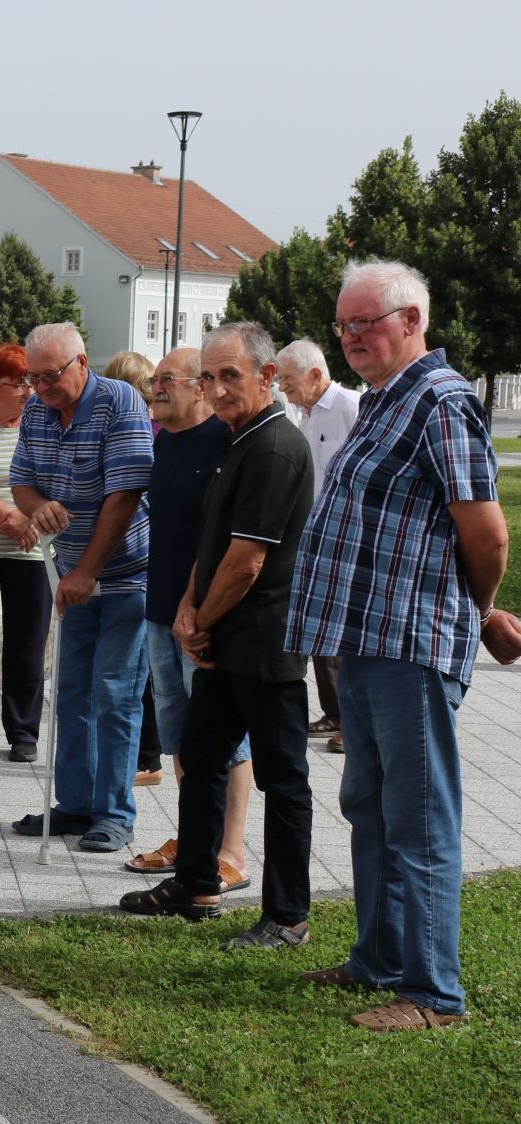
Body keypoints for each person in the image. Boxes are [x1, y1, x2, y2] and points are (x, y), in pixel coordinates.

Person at [290, 260, 521, 1031]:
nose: (352, 337)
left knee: (419, 819)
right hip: (365, 639)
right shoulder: (388, 401)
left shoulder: (441, 402)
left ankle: (433, 994)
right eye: (344, 325)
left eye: (367, 322)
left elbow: (486, 533)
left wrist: (477, 611)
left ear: (412, 321)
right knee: (372, 806)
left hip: (410, 644)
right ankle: (380, 961)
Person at [122, 323, 314, 946]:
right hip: (221, 641)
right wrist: (186, 606)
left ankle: (287, 915)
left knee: (282, 779)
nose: (217, 388)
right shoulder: (238, 438)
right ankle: (196, 880)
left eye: (230, 375)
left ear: (267, 377)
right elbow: (215, 543)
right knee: (200, 758)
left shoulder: (275, 446)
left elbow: (249, 558)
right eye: (209, 376)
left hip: (264, 644)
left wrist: (198, 621)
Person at [8, 323, 154, 855]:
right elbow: (20, 478)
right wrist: (35, 506)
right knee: (70, 692)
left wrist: (87, 572)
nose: (42, 386)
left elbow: (127, 493)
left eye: (52, 375)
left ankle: (114, 815)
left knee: (114, 694)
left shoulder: (121, 402)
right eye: (34, 377)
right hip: (70, 577)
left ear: (83, 362)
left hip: (126, 576)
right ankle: (73, 805)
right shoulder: (37, 410)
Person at [121, 348, 252, 891]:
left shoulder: (223, 444)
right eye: (154, 379)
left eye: (166, 380)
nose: (155, 387)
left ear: (200, 388)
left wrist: (203, 609)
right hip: (159, 611)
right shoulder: (164, 441)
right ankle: (194, 835)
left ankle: (231, 850)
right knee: (178, 734)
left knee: (223, 737)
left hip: (206, 616)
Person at [276, 339, 362, 751]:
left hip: (344, 538)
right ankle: (335, 713)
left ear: (314, 374)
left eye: (288, 379)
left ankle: (352, 722)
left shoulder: (349, 406)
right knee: (319, 629)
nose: (283, 387)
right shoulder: (304, 414)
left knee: (340, 631)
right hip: (310, 535)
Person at [0, 344, 50, 763]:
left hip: (31, 553)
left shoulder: (42, 425)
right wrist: (10, 517)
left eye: (30, 381)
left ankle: (23, 733)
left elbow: (55, 484)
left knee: (27, 647)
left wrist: (32, 522)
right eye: (15, 382)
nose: (26, 391)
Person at [104, 350, 163, 785]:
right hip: (145, 565)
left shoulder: (146, 432)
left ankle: (146, 758)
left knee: (136, 678)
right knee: (144, 676)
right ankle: (146, 756)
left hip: (137, 567)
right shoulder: (153, 427)